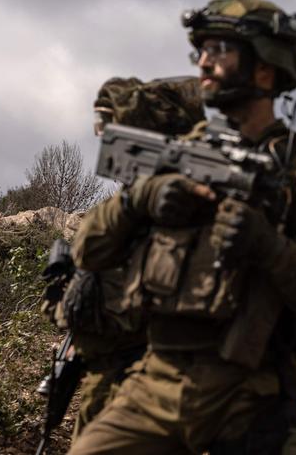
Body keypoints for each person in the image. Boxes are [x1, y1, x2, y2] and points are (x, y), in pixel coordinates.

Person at [68, 0, 296, 454]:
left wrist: (267, 246)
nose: (203, 61)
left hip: (248, 389)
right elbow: (88, 250)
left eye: (220, 49)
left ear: (265, 68)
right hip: (155, 379)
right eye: (200, 49)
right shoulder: (181, 150)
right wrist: (142, 199)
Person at [41, 75, 206, 441]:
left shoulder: (186, 203)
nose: (108, 141)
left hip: (151, 377)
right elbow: (91, 250)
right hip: (105, 370)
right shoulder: (133, 201)